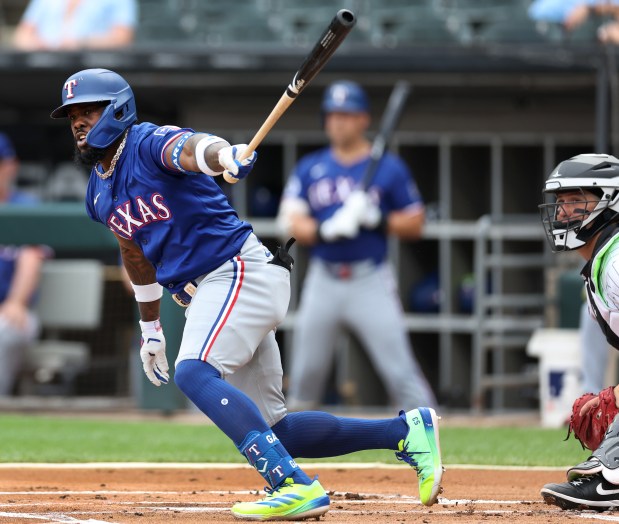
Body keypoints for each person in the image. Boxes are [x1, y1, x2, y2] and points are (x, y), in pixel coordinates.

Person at [50, 68, 444, 521]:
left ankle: (292, 484)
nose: (79, 122)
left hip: (236, 271)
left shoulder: (146, 142)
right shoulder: (98, 191)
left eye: (89, 110)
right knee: (278, 431)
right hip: (211, 290)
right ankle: (407, 431)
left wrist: (225, 156)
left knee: (194, 373)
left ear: (117, 108)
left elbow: (190, 149)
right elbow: (134, 253)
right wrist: (150, 326)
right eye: (73, 115)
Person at [277, 80, 437, 412]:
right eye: (332, 115)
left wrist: (377, 220)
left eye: (346, 115)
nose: (338, 121)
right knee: (306, 373)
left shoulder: (388, 167)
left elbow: (416, 223)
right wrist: (326, 229)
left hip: (370, 279)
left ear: (363, 119)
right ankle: (291, 447)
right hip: (323, 280)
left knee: (400, 371)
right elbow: (290, 222)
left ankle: (433, 436)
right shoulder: (311, 167)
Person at [538, 153, 619, 510]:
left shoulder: (615, 262)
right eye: (560, 202)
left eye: (576, 201)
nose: (563, 212)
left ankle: (611, 477)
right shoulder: (603, 258)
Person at [0, 132, 46, 395]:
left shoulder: (27, 207)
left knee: (4, 329)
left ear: (11, 165)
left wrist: (16, 301)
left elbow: (30, 258)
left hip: (14, 311)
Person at [13, 0, 137, 51]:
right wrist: (41, 46)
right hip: (47, 72)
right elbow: (21, 36)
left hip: (93, 72)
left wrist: (79, 44)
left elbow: (122, 38)